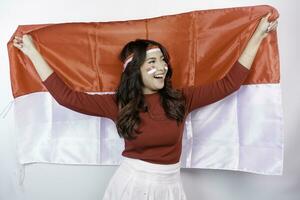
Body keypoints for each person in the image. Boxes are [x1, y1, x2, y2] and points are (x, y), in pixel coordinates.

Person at [13, 13, 278, 200]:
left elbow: (229, 84)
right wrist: (32, 51)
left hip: (170, 186)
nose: (161, 67)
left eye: (162, 61)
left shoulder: (181, 99)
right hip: (131, 184)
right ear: (134, 71)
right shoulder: (117, 104)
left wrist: (257, 36)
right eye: (151, 62)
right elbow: (66, 97)